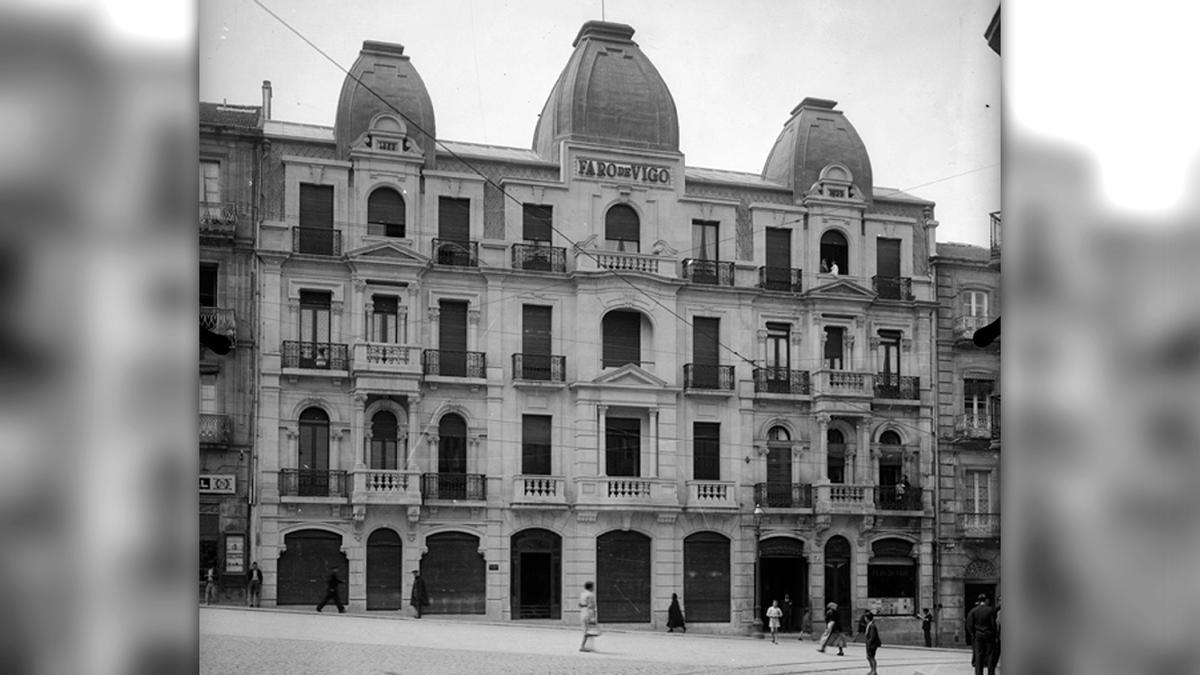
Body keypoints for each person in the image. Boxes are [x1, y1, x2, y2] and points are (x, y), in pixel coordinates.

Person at [965, 594, 998, 675]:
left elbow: (969, 625)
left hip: (978, 635)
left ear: (979, 601)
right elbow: (993, 624)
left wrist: (973, 634)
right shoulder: (991, 610)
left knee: (979, 655)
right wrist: (994, 634)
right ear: (985, 600)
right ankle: (990, 673)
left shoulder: (973, 611)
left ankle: (979, 673)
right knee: (990, 655)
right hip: (989, 634)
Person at [579, 581, 599, 652]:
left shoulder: (582, 594)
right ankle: (583, 646)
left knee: (588, 630)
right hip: (588, 613)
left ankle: (589, 646)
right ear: (590, 587)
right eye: (593, 586)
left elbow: (580, 604)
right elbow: (592, 605)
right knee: (588, 631)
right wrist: (593, 615)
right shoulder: (591, 595)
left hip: (583, 612)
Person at [864, 610, 882, 675]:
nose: (865, 619)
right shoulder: (869, 624)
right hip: (869, 643)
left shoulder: (872, 626)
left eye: (865, 617)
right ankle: (872, 670)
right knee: (869, 657)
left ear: (867, 618)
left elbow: (872, 636)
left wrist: (869, 642)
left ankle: (874, 671)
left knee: (871, 657)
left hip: (872, 644)